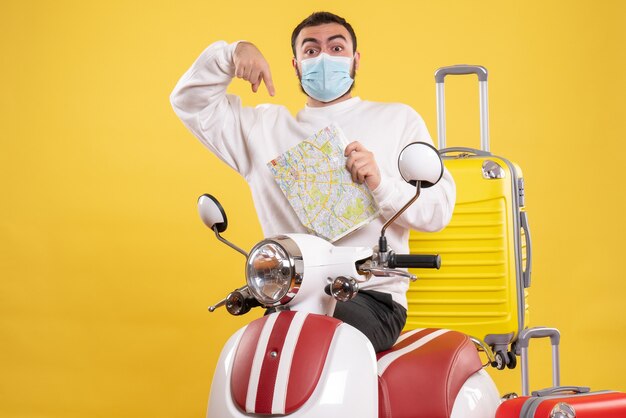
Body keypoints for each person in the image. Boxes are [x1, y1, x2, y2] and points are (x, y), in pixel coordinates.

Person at [170, 11, 456, 352]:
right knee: (252, 356)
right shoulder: (261, 130)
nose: (324, 57)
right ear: (295, 65)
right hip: (290, 295)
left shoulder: (398, 119)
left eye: (337, 48)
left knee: (315, 346)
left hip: (370, 298)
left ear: (355, 60)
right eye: (311, 50)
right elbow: (189, 102)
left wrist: (381, 183)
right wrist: (231, 53)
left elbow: (438, 211)